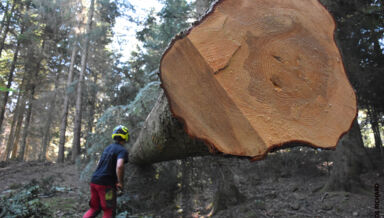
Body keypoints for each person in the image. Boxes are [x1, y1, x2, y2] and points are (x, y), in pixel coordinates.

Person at [83, 125, 129, 218]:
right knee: (108, 210)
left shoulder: (107, 148)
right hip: (106, 185)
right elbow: (119, 166)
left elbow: (99, 163)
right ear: (125, 136)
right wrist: (120, 182)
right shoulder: (122, 150)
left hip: (94, 181)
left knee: (94, 208)